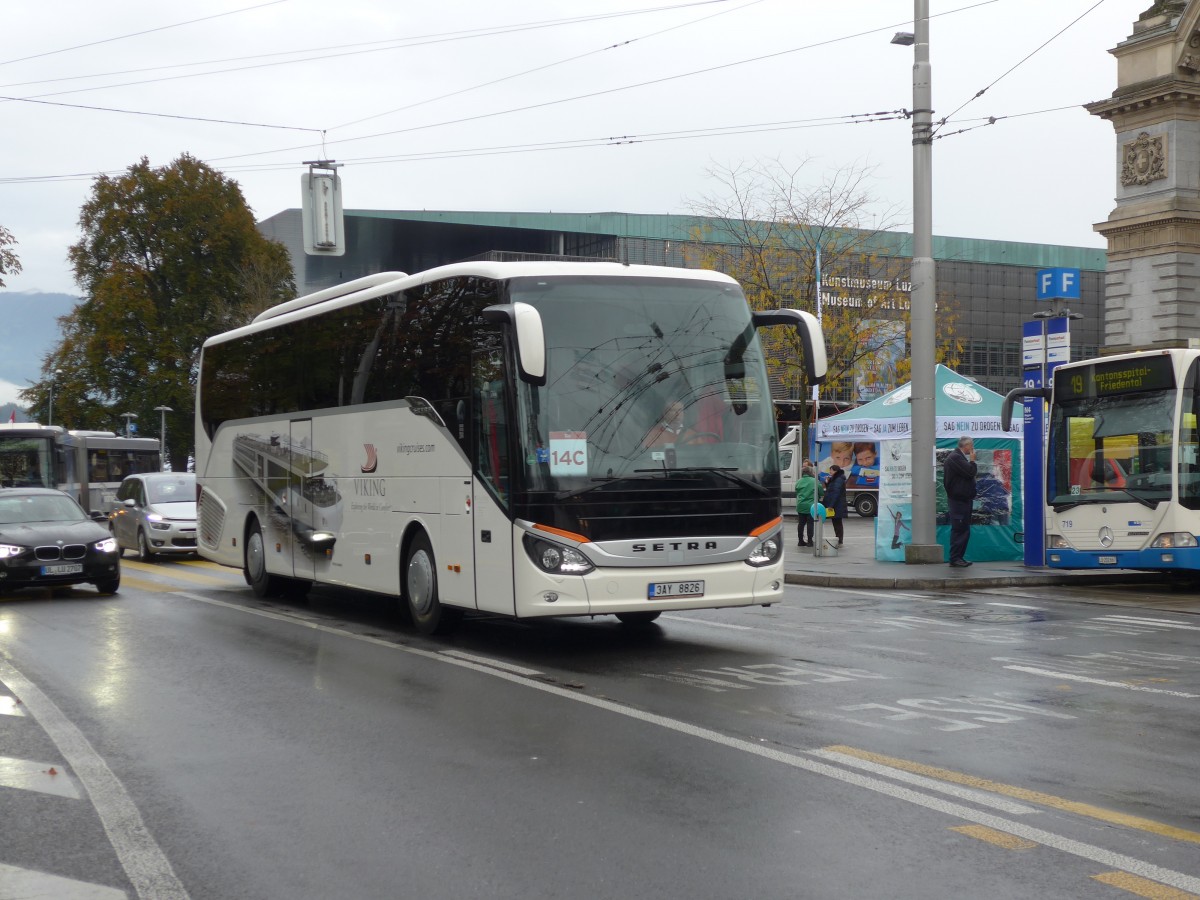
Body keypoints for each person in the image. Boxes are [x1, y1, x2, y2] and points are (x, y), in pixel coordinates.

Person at [943, 435, 978, 567]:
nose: (973, 448)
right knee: (959, 529)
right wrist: (973, 461)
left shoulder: (958, 457)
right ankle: (955, 558)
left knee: (963, 529)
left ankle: (959, 557)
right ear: (966, 445)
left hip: (963, 500)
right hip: (958, 501)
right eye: (971, 445)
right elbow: (970, 472)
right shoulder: (955, 457)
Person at [795, 463, 824, 547]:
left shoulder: (799, 481)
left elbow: (796, 491)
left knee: (801, 523)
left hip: (800, 505)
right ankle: (810, 541)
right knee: (810, 523)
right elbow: (821, 492)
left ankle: (800, 541)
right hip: (811, 506)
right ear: (811, 472)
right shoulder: (814, 481)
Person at [823, 464, 848, 546]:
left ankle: (839, 540)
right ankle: (838, 538)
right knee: (835, 522)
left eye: (831, 470)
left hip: (837, 505)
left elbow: (835, 493)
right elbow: (831, 490)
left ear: (835, 471)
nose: (830, 472)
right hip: (836, 504)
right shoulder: (835, 479)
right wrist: (827, 482)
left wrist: (831, 505)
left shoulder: (838, 479)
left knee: (837, 522)